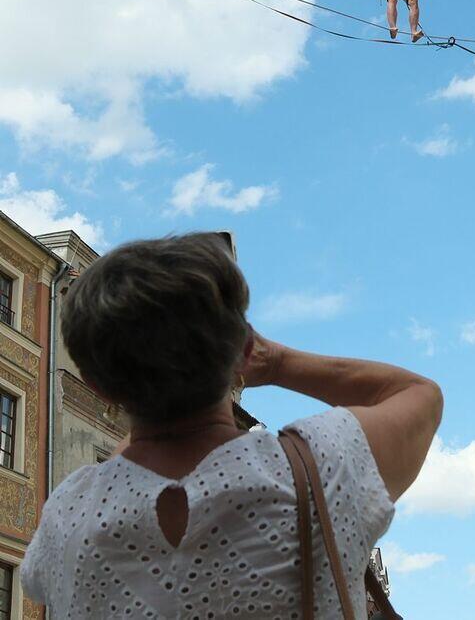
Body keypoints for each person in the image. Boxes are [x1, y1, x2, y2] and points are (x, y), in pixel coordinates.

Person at [20, 233, 443, 618]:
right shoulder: (322, 468)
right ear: (244, 350)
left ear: (96, 385)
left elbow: (40, 575)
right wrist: (277, 362)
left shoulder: (68, 515)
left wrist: (142, 380)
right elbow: (419, 395)